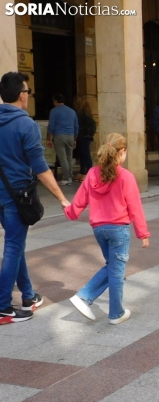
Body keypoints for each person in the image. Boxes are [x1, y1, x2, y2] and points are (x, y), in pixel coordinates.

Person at [0, 72, 70, 323]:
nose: (28, 95)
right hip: (17, 196)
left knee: (15, 245)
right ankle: (3, 306)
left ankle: (28, 295)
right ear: (22, 95)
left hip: (1, 195)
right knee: (12, 247)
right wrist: (62, 198)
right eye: (27, 91)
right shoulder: (26, 125)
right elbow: (41, 169)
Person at [65, 133, 150, 325]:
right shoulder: (126, 176)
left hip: (99, 229)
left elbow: (79, 201)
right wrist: (143, 233)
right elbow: (135, 207)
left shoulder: (93, 173)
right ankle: (112, 311)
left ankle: (91, 300)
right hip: (118, 228)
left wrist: (70, 212)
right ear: (122, 152)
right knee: (117, 271)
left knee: (112, 267)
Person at [46, 93, 79, 185]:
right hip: (71, 135)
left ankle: (66, 178)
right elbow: (76, 126)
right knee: (69, 157)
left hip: (59, 136)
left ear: (55, 101)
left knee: (63, 158)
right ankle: (70, 177)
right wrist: (75, 138)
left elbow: (51, 126)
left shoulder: (54, 111)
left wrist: (48, 138)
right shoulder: (72, 111)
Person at [74, 96, 96, 183]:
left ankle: (88, 173)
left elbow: (92, 125)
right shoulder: (84, 114)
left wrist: (87, 134)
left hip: (84, 137)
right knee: (83, 155)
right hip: (84, 136)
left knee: (86, 155)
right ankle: (83, 172)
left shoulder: (82, 115)